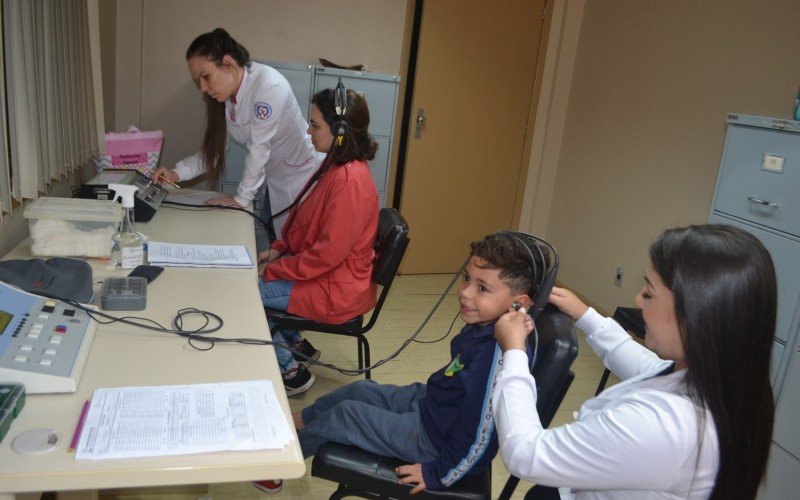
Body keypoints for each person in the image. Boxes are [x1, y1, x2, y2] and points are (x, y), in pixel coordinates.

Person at [492, 224, 776, 499]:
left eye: (649, 293)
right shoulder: (721, 382)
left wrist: (514, 352)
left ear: (695, 316)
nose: (637, 300)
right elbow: (648, 368)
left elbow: (525, 453)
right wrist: (586, 315)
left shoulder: (663, 429)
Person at [253, 232, 544, 495]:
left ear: (520, 303)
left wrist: (437, 474)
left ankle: (277, 467)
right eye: (467, 278)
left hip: (434, 442)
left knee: (346, 415)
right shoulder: (490, 322)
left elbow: (481, 435)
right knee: (361, 391)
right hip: (433, 404)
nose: (465, 292)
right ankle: (293, 424)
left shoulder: (499, 357)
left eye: (483, 289)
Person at [257, 86, 379, 398]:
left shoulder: (349, 182)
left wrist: (277, 269)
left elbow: (326, 256)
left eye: (315, 125)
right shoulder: (335, 165)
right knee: (258, 281)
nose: (308, 131)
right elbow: (306, 221)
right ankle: (296, 344)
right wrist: (278, 249)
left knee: (249, 294)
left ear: (339, 131)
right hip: (328, 276)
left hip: (335, 287)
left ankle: (290, 370)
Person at [152, 28, 318, 237]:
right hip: (273, 178)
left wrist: (240, 198)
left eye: (205, 77)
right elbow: (214, 152)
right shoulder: (228, 96)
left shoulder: (268, 87)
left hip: (300, 181)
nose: (202, 87)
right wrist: (176, 173)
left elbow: (259, 149)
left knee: (296, 247)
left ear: (228, 63)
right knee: (278, 243)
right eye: (198, 81)